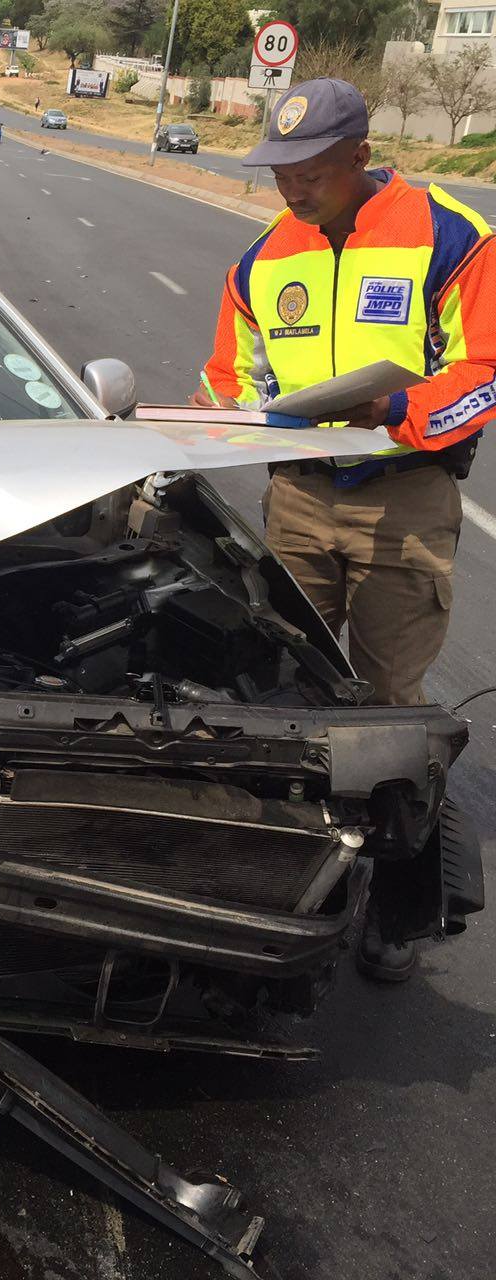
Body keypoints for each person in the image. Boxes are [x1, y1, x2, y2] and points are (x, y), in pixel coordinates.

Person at [193, 78, 496, 981]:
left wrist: (396, 404)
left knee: (390, 703)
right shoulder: (260, 259)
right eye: (279, 171)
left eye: (312, 172)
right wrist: (249, 412)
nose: (292, 190)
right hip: (298, 496)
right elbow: (225, 375)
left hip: (403, 497)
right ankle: (282, 878)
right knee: (285, 686)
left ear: (360, 157)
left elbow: (483, 372)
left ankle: (396, 909)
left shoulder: (450, 234)